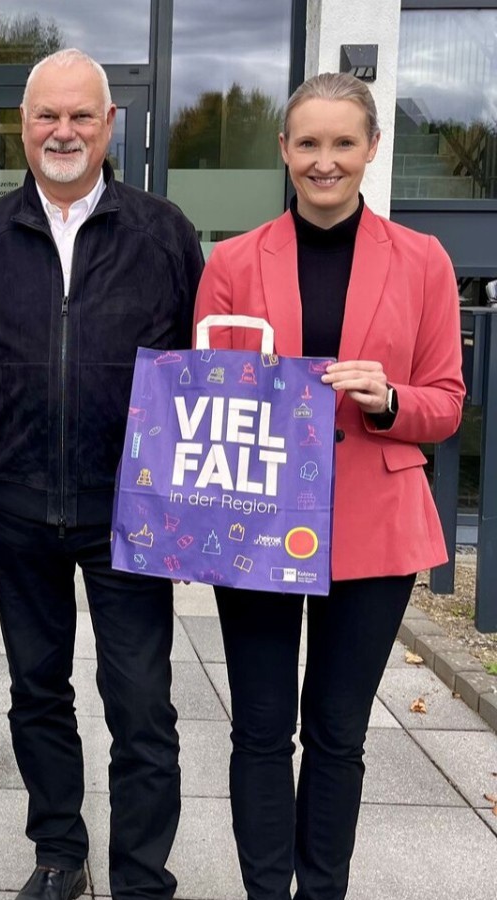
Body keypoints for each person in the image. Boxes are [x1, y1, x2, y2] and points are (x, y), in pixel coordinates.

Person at [193, 72, 465, 900]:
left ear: (372, 149)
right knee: (263, 732)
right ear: (283, 150)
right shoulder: (234, 262)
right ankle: (266, 892)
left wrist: (387, 400)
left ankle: (322, 893)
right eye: (307, 143)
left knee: (340, 735)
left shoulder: (422, 261)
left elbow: (447, 403)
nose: (324, 161)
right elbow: (203, 401)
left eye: (342, 142)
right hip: (259, 520)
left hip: (375, 524)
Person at [0, 49, 204, 900]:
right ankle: (59, 851)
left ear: (109, 125)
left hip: (133, 514)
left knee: (142, 708)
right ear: (22, 127)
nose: (63, 132)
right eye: (46, 117)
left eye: (80, 117)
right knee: (36, 693)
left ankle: (140, 877)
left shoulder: (165, 234)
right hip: (17, 509)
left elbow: (203, 371)